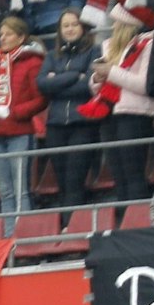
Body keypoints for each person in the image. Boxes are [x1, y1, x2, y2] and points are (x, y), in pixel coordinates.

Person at [0, 17, 45, 234]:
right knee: (5, 191)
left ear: (21, 37)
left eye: (8, 34)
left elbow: (41, 98)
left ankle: (25, 237)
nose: (3, 38)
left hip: (19, 132)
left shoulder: (33, 62)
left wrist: (16, 112)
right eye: (1, 35)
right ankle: (10, 238)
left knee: (21, 190)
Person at [39, 11, 100, 216]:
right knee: (62, 181)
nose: (70, 29)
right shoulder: (51, 55)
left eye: (74, 24)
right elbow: (42, 85)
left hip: (82, 123)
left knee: (75, 180)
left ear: (83, 27)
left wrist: (57, 80)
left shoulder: (94, 51)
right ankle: (66, 224)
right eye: (65, 25)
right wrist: (75, 75)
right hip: (55, 124)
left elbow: (87, 86)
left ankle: (70, 226)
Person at [91, 19, 154, 206]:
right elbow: (96, 89)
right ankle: (122, 217)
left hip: (134, 115)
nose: (113, 27)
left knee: (134, 174)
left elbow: (144, 84)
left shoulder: (147, 44)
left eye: (116, 22)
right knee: (118, 175)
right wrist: (96, 78)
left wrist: (111, 72)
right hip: (108, 113)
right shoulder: (107, 46)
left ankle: (137, 217)